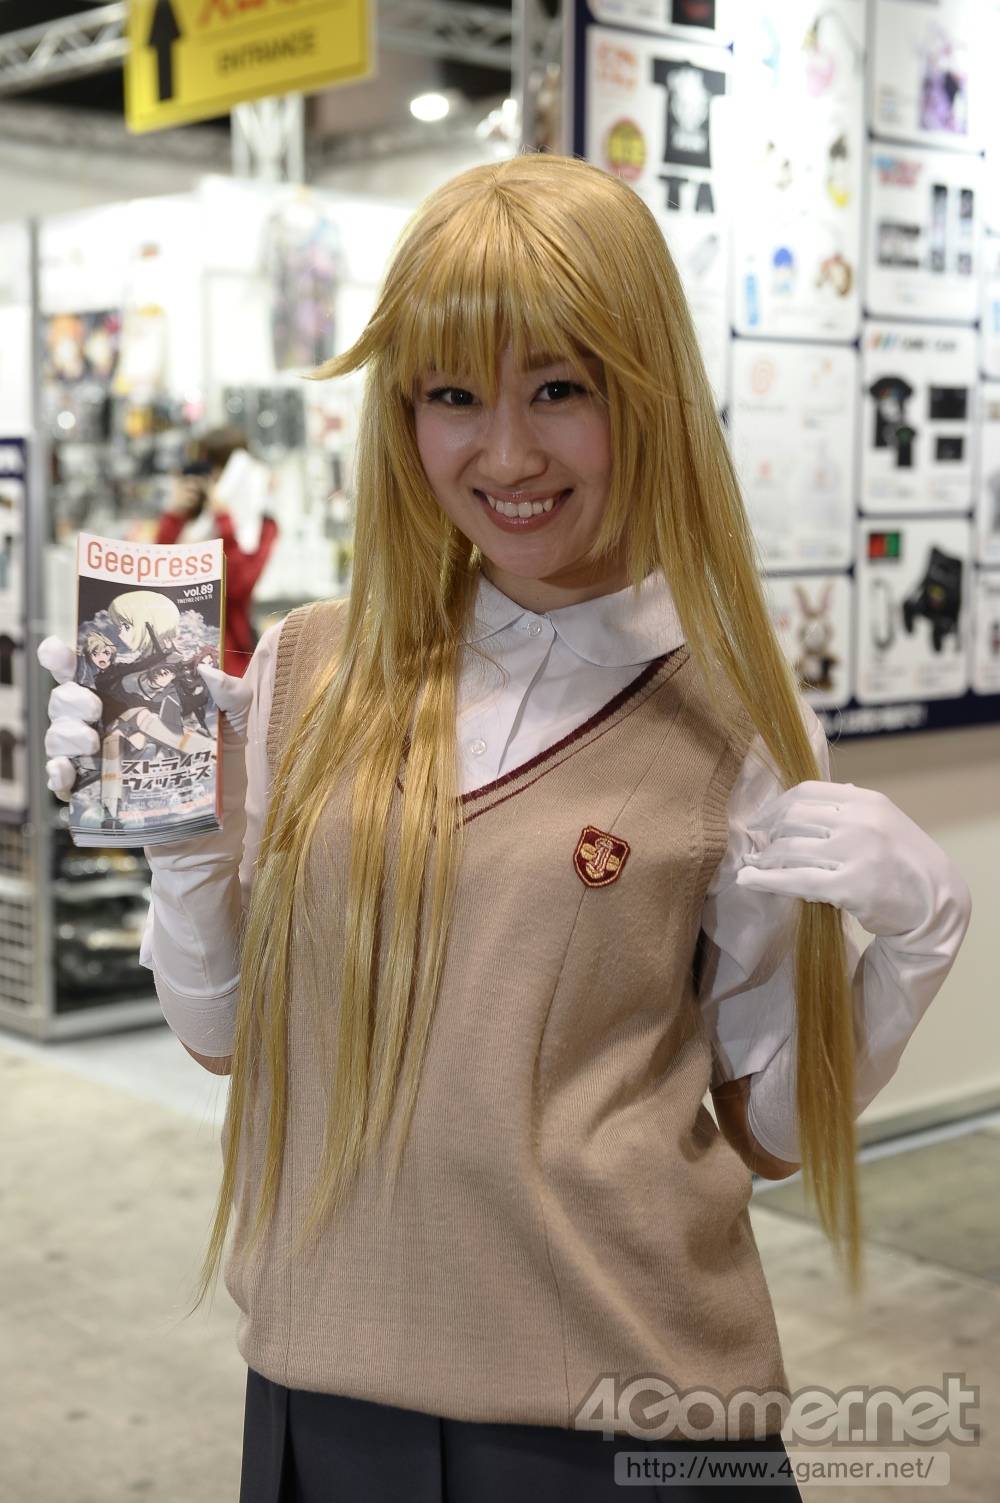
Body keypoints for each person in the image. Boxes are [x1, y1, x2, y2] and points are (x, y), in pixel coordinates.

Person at [40, 157, 970, 1502]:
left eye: (559, 388)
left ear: (645, 390)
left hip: (624, 1414)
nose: (508, 455)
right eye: (452, 396)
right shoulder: (310, 667)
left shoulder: (738, 727)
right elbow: (228, 1037)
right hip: (324, 1397)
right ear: (402, 413)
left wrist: (914, 950)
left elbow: (762, 1125)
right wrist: (189, 844)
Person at [158, 427, 279, 676]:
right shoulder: (188, 520)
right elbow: (157, 574)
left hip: (227, 661)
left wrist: (224, 520)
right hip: (174, 655)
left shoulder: (263, 528)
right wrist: (175, 514)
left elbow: (236, 587)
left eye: (219, 469)